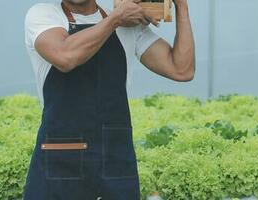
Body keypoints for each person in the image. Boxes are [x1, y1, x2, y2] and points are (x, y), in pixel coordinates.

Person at [22, 0, 195, 199]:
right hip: (62, 159)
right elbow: (65, 56)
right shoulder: (44, 15)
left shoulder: (125, 22)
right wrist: (115, 19)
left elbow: (182, 69)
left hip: (116, 156)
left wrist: (181, 7)